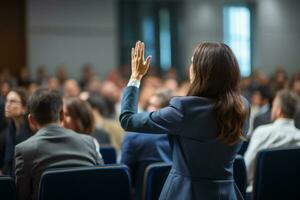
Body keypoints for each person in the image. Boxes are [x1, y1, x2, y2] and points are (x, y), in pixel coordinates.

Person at [120, 41, 249, 200]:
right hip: (226, 192)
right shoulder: (242, 107)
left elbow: (128, 119)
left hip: (186, 193)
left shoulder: (185, 110)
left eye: (192, 63)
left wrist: (135, 77)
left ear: (200, 72)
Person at [15, 89, 103, 200]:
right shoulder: (89, 142)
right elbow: (102, 185)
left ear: (31, 120)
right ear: (62, 115)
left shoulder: (23, 150)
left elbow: (21, 196)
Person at [244, 90, 300, 192]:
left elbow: (246, 169)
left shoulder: (262, 132)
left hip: (260, 193)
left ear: (279, 111)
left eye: (273, 106)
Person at [121, 89, 173, 199]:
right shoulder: (183, 137)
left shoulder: (134, 137)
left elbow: (124, 175)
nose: (149, 109)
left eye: (154, 106)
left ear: (167, 112)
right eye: (149, 104)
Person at [2, 88, 32, 175]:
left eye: (12, 101)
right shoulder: (8, 131)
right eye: (7, 101)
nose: (7, 105)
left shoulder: (31, 131)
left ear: (24, 108)